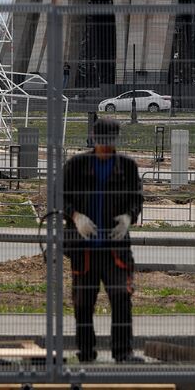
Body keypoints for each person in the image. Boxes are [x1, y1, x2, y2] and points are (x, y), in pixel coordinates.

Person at [63, 116, 143, 362]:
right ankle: (86, 353)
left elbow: (136, 197)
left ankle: (123, 352)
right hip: (84, 248)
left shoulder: (127, 166)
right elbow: (60, 196)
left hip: (115, 249)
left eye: (110, 142)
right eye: (102, 141)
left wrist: (129, 217)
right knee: (84, 301)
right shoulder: (77, 165)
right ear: (94, 138)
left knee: (121, 296)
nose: (106, 147)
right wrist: (76, 217)